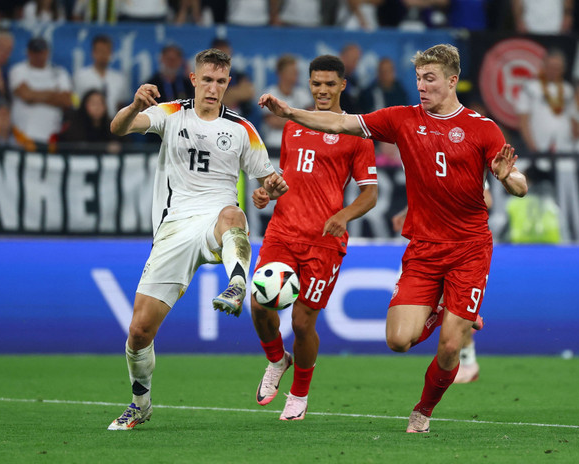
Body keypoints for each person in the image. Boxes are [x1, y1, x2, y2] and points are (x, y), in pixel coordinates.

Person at [259, 43, 528, 433]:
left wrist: (507, 177)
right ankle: (445, 311)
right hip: (423, 248)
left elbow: (518, 183)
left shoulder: (481, 128)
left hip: (470, 249)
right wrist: (289, 112)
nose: (422, 85)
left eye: (430, 79)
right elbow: (340, 123)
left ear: (452, 81)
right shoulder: (402, 119)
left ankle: (423, 411)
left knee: (452, 346)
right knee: (398, 340)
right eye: (418, 78)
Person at [107, 48, 288, 431]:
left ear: (228, 84)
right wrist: (135, 104)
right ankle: (141, 403)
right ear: (194, 79)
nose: (213, 88)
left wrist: (272, 189)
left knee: (233, 214)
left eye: (221, 82)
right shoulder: (171, 113)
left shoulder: (242, 129)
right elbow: (119, 128)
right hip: (174, 228)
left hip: (215, 222)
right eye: (207, 79)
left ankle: (237, 283)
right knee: (139, 332)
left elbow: (267, 184)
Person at [251, 54, 378, 421]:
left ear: (342, 85)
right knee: (260, 306)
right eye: (316, 83)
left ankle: (300, 394)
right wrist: (268, 193)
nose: (322, 90)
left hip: (323, 241)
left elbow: (370, 193)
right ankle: (277, 360)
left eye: (329, 84)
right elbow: (287, 178)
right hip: (283, 231)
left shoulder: (356, 132)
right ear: (310, 84)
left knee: (303, 324)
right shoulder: (293, 126)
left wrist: (343, 214)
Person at [391, 184, 493, 384]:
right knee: (404, 332)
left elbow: (487, 199)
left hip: (461, 246)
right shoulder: (420, 155)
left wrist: (451, 207)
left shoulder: (465, 157)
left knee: (452, 309)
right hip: (426, 244)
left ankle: (468, 361)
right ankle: (456, 315)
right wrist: (407, 211)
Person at [9, 37, 74, 147]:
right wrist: (53, 94)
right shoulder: (18, 70)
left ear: (47, 52)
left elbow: (66, 101)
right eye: (35, 52)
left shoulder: (59, 72)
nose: (39, 56)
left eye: (42, 52)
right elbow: (26, 96)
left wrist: (34, 95)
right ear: (28, 53)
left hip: (51, 135)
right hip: (22, 134)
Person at [515, 49, 574, 154]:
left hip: (565, 148)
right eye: (550, 67)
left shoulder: (568, 89)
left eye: (557, 68)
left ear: (563, 70)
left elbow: (572, 118)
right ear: (543, 66)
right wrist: (532, 147)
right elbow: (523, 120)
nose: (553, 71)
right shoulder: (529, 87)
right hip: (538, 146)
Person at [261, 54, 312, 153]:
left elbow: (310, 120)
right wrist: (299, 119)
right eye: (292, 72)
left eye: (296, 72)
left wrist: (284, 119)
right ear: (281, 73)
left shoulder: (303, 94)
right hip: (274, 145)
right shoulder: (270, 93)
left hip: (299, 145)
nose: (296, 74)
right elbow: (272, 121)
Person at [73, 34, 130, 117]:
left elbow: (121, 105)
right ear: (93, 53)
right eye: (100, 51)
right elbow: (76, 103)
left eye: (107, 51)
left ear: (111, 53)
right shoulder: (80, 76)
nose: (103, 55)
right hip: (86, 123)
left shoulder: (119, 78)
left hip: (111, 124)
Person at [56, 89, 121, 152]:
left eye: (100, 103)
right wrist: (104, 148)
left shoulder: (112, 127)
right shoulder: (73, 128)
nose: (97, 107)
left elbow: (125, 143)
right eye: (93, 104)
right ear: (84, 106)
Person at [0, 30, 14, 102]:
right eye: (2, 49)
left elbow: (10, 101)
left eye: (8, 51)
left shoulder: (8, 70)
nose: (5, 54)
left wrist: (2, 89)